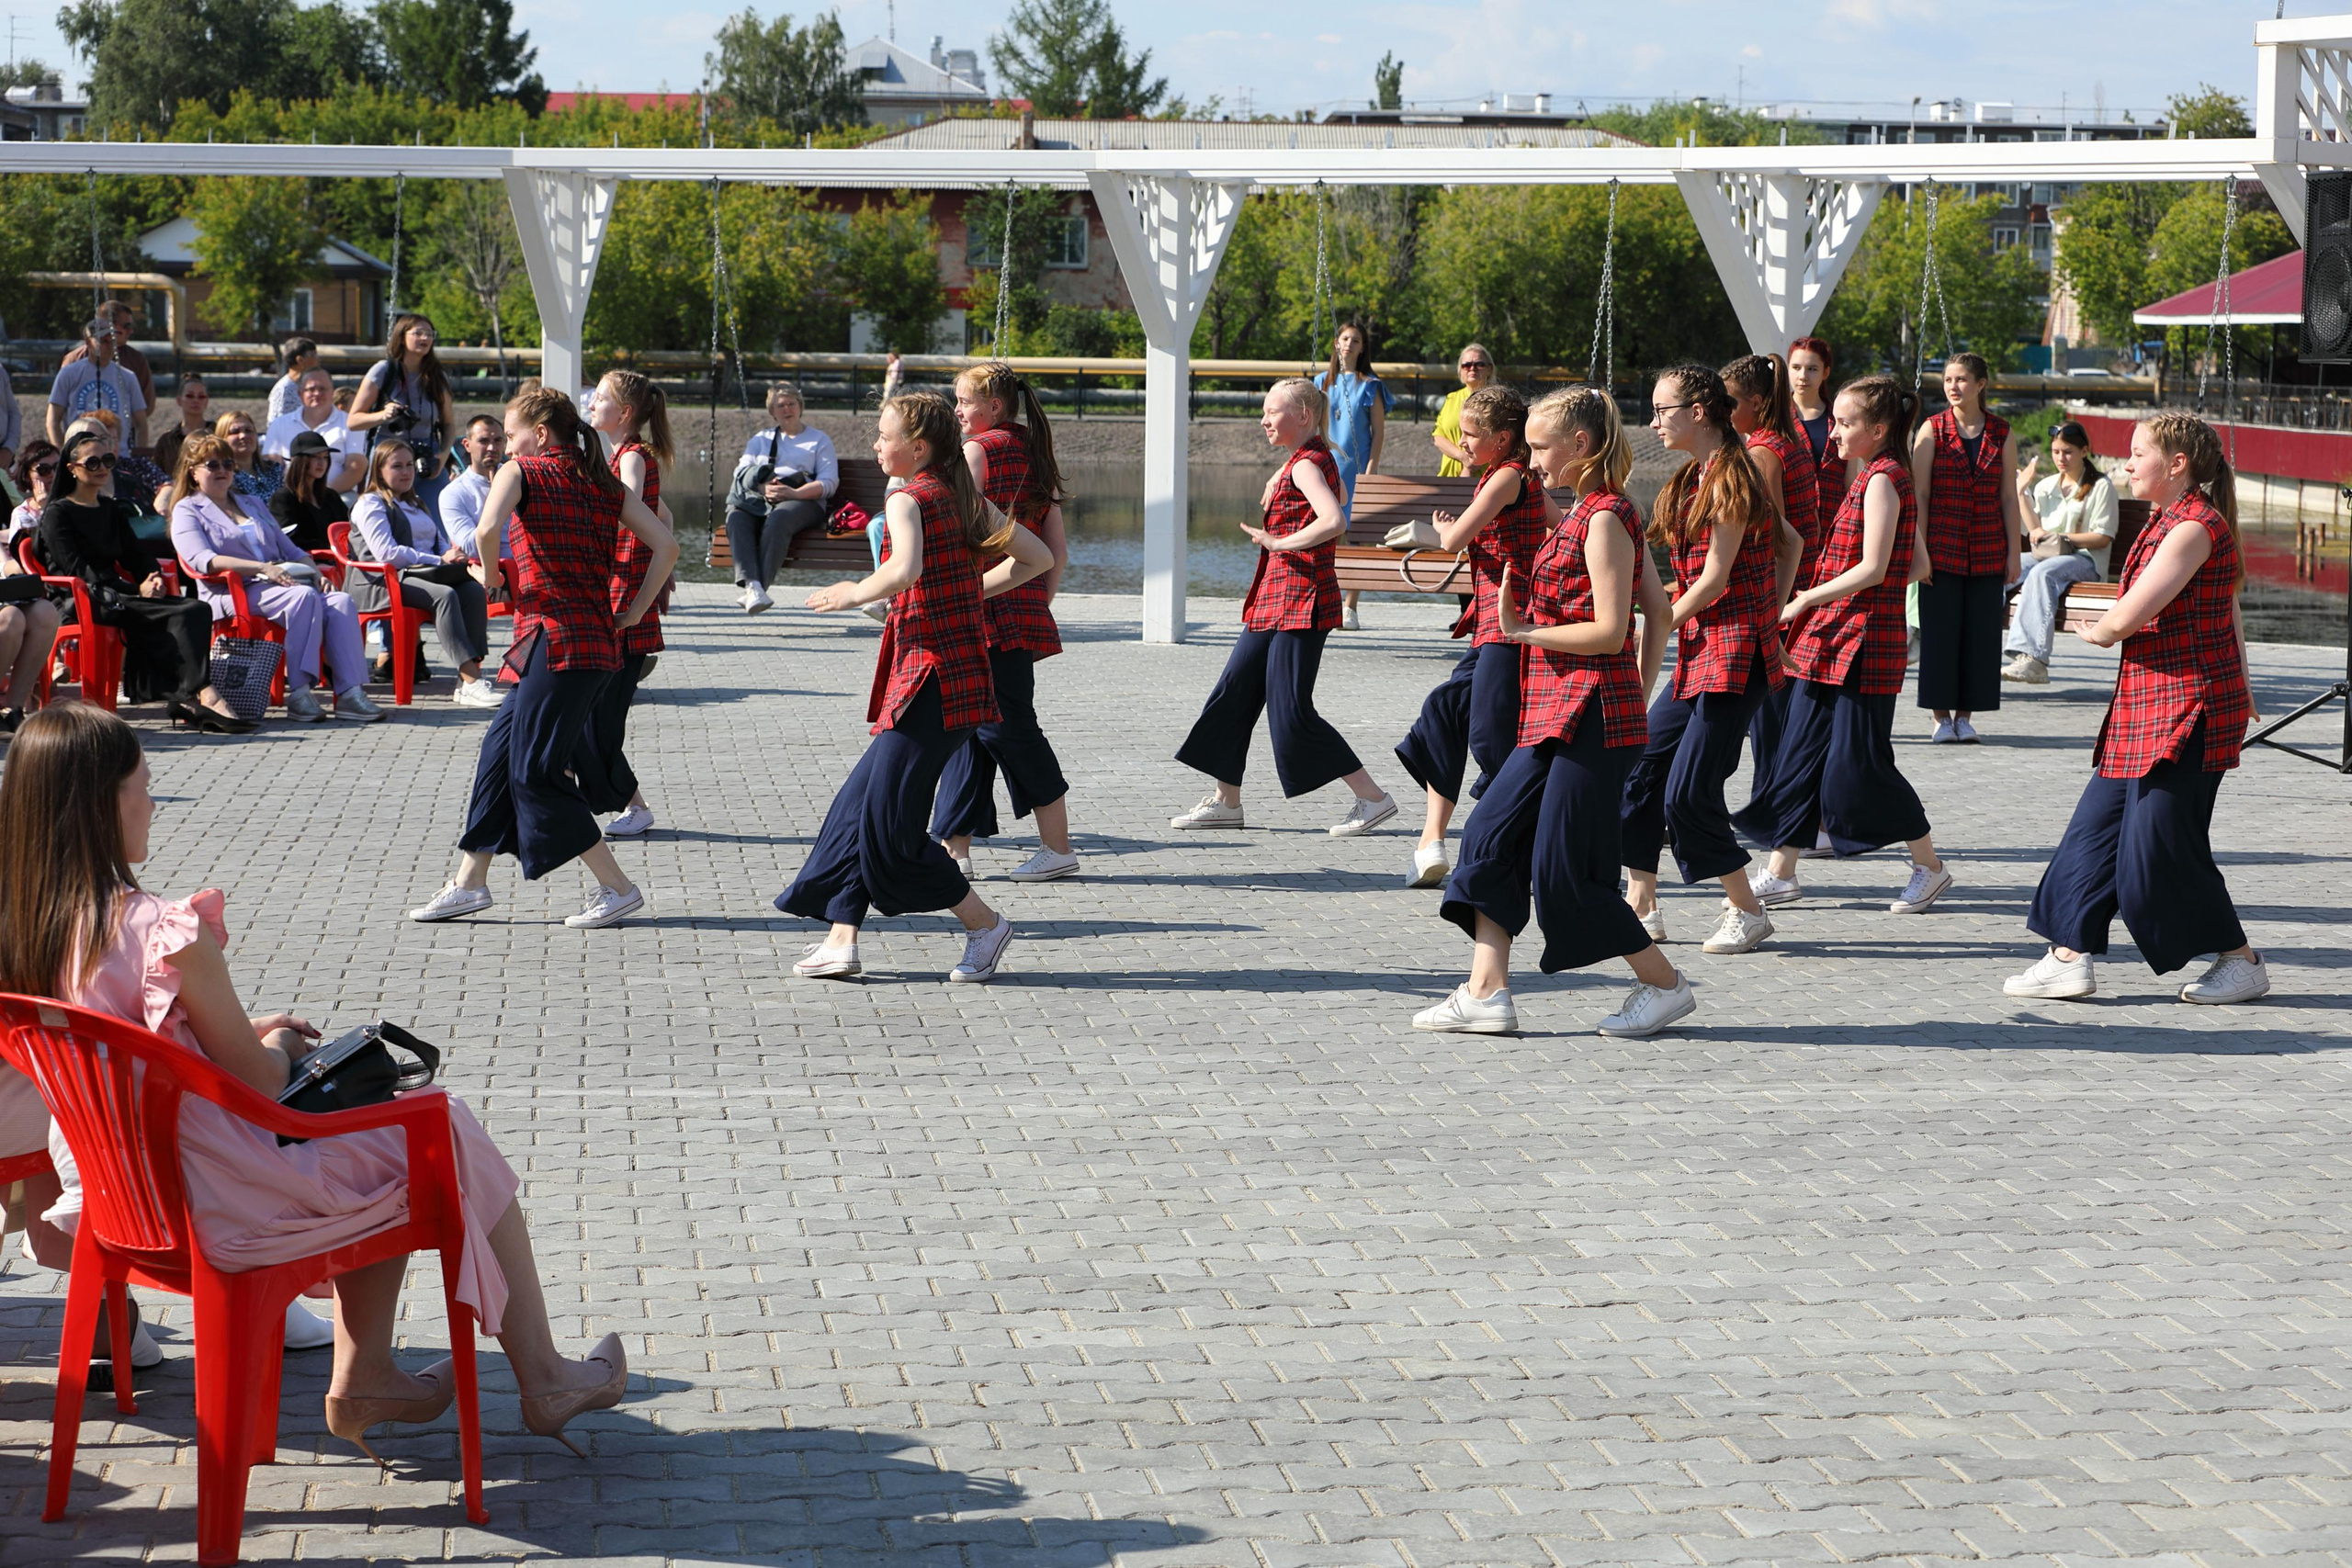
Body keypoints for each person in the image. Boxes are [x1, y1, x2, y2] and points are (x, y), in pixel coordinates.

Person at [0, 703, 629, 1457]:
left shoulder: (32, 930)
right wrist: (288, 1051)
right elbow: (262, 1083)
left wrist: (223, 1033)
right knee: (428, 1120)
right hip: (213, 1198)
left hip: (118, 1196)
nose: (154, 803)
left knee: (387, 1128)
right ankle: (541, 1374)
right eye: (146, 784)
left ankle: (372, 1371)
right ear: (104, 801)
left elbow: (132, 1047)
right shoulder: (161, 928)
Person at [1415, 383, 1690, 1038]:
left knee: (1566, 874)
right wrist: (1641, 689)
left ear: (1580, 445)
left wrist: (1522, 631)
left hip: (1591, 720)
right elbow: (1659, 611)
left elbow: (1609, 628)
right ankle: (1486, 992)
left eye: (1540, 447)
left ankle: (1666, 985)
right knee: (1489, 836)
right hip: (1557, 713)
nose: (1531, 459)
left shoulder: (1604, 518)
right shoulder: (1590, 512)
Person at [777, 390, 1054, 982]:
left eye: (884, 436)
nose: (876, 445)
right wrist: (969, 593)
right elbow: (1033, 558)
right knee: (855, 812)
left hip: (929, 681)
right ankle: (841, 938)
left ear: (918, 447)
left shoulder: (907, 494)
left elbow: (904, 569)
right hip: (950, 677)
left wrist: (850, 592)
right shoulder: (961, 494)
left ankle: (986, 925)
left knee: (891, 832)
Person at [2005, 412, 2268, 1006]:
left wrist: (2096, 630)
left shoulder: (2195, 528)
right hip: (2144, 706)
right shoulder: (2166, 519)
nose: (2125, 462)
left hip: (2190, 710)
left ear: (2178, 465)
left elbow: (2128, 616)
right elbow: (2223, 609)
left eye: (2137, 452)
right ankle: (2068, 956)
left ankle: (2241, 960)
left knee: (2158, 851)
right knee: (2091, 834)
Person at [407, 388, 679, 931]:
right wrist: (631, 613)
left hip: (555, 642)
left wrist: (487, 576)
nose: (507, 445)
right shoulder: (601, 479)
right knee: (499, 753)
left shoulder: (521, 471)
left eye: (511, 434)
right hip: (588, 642)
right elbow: (667, 545)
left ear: (542, 432)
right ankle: (469, 884)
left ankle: (618, 887)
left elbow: (485, 531)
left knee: (535, 772)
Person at [1735, 375, 1952, 915]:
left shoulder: (1883, 479)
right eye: (1833, 421)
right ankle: (1781, 872)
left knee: (1861, 767)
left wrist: (1808, 597)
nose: (1831, 432)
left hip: (1863, 645)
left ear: (1877, 430)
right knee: (1800, 755)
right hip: (1831, 641)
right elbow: (1918, 564)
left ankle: (1929, 866)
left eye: (1844, 423)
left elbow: (1877, 568)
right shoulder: (1874, 476)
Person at [1620, 365, 1803, 955]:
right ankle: (1641, 904)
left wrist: (1661, 620)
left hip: (1733, 656)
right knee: (1642, 768)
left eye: (1661, 410)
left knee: (1690, 794)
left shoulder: (1732, 476)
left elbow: (1716, 578)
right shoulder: (1696, 476)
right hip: (1704, 649)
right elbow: (1791, 543)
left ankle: (1746, 911)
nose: (1653, 422)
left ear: (1698, 412)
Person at [1170, 379, 1398, 838]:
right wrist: (1286, 470)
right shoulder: (1309, 460)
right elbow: (1340, 498)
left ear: (1304, 417)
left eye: (1273, 411)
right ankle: (1226, 802)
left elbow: (1335, 519)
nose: (1264, 419)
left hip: (1301, 600)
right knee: (1232, 694)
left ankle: (1373, 798)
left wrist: (1279, 540)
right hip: (1274, 599)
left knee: (1291, 710)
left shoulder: (1305, 466)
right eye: (1264, 411)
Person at [930, 363, 1078, 883]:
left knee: (1008, 727)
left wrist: (957, 592)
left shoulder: (979, 451)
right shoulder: (1036, 453)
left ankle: (1057, 847)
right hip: (1020, 606)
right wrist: (1037, 600)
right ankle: (955, 849)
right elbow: (1056, 550)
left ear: (993, 407)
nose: (956, 411)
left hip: (983, 608)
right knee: (970, 729)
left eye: (963, 402)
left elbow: (958, 530)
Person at [1394, 385, 1543, 889]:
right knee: (1444, 713)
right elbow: (1556, 524)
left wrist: (1430, 531)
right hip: (1489, 624)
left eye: (1472, 436)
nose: (1463, 445)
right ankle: (1431, 842)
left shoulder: (1504, 477)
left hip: (1510, 626)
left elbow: (1455, 540)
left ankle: (1529, 835)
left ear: (1502, 439)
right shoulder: (1509, 477)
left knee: (1491, 740)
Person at [36, 429, 250, 732]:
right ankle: (200, 695)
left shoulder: (110, 508)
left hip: (115, 592)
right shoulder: (58, 513)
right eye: (92, 462)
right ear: (72, 469)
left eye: (107, 460)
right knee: (180, 613)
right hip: (80, 597)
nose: (102, 469)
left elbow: (135, 555)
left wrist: (152, 577)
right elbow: (76, 569)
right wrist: (137, 589)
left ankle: (188, 695)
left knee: (196, 609)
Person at [167, 434, 381, 725]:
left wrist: (317, 574)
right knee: (302, 598)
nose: (222, 470)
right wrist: (261, 568)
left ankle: (350, 694)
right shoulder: (187, 509)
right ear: (193, 471)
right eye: (212, 464)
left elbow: (289, 548)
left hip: (280, 584)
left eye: (228, 464)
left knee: (341, 601)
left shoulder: (251, 502)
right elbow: (201, 559)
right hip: (232, 591)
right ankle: (301, 693)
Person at [1724, 352, 1822, 829]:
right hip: (1801, 591)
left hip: (1783, 598)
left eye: (1730, 402)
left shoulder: (1762, 453)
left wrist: (1771, 612)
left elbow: (1778, 539)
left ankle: (1785, 817)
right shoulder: (1786, 440)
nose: (1721, 410)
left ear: (1757, 403)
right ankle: (1788, 815)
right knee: (1777, 717)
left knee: (1772, 720)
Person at [577, 369, 673, 840]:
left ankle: (633, 804)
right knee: (596, 711)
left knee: (602, 714)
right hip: (622, 591)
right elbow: (665, 514)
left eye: (600, 398)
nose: (592, 404)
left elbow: (632, 509)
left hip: (624, 595)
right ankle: (624, 801)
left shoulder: (632, 456)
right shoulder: (626, 454)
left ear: (625, 413)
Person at [1911, 352, 2020, 742]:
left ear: (1980, 384)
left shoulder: (2002, 432)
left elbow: (2009, 497)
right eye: (1948, 380)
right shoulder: (1931, 430)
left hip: (1988, 547)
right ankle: (1941, 718)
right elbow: (1919, 494)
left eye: (1961, 380)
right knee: (1940, 634)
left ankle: (1966, 716)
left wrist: (2013, 553)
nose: (1953, 387)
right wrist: (1919, 549)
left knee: (1981, 635)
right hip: (1941, 546)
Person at [349, 442, 502, 708]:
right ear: (379, 470)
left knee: (472, 591)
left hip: (418, 576)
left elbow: (438, 541)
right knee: (444, 596)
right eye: (397, 466)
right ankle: (472, 680)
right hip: (381, 583)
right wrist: (438, 560)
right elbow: (387, 553)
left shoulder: (414, 502)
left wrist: (452, 556)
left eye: (409, 465)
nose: (406, 472)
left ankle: (467, 681)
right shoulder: (370, 503)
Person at [2003, 420, 2120, 684]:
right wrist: (2021, 493)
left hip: (2086, 561)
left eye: (2068, 452)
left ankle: (2033, 660)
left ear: (2084, 451)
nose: (2061, 458)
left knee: (2043, 574)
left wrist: (2062, 537)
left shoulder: (2100, 487)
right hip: (2049, 555)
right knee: (2002, 567)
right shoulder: (2046, 486)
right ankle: (1978, 649)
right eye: (2056, 452)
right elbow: (2035, 532)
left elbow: (2103, 538)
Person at [726, 383, 839, 614]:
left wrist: (795, 493)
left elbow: (829, 483)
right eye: (780, 406)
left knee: (779, 518)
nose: (787, 409)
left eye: (791, 404)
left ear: (800, 406)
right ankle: (754, 586)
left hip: (805, 501)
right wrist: (762, 486)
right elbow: (740, 472)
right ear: (772, 411)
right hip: (763, 499)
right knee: (736, 516)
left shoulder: (818, 440)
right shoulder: (761, 439)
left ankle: (757, 588)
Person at [1317, 321, 1391, 631]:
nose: (1349, 344)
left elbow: (1378, 432)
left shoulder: (1369, 384)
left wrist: (1372, 468)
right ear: (1336, 343)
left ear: (1362, 348)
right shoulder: (1322, 381)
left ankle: (1351, 606)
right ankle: (1326, 601)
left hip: (1356, 470)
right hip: (1326, 468)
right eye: (1345, 338)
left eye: (1356, 340)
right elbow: (1314, 424)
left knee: (1358, 538)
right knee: (1326, 535)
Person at [348, 313, 458, 513]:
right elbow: (353, 421)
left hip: (427, 458)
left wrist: (442, 455)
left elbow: (449, 424)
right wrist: (383, 415)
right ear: (402, 336)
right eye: (418, 333)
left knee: (437, 518)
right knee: (390, 517)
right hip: (389, 457)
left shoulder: (437, 376)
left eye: (429, 334)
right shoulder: (383, 371)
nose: (425, 339)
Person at [0, 443, 62, 737]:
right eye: (44, 469)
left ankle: (13, 710)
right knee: (12, 620)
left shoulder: (76, 505)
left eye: (57, 467)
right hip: (39, 587)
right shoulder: (23, 513)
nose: (52, 475)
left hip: (49, 592)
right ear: (28, 475)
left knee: (44, 613)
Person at [57, 299, 154, 445]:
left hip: (121, 443)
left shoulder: (135, 361)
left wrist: (118, 428)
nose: (130, 331)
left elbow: (147, 405)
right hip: (80, 443)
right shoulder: (73, 361)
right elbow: (57, 411)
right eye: (126, 326)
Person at [47, 317, 146, 456]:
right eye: (104, 341)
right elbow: (52, 420)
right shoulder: (69, 373)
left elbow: (142, 423)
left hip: (119, 455)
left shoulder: (128, 377)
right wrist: (61, 452)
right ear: (88, 342)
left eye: (112, 341)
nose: (110, 346)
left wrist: (139, 456)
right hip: (79, 455)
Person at [263, 367, 363, 491]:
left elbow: (356, 468)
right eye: (311, 389)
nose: (317, 393)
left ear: (332, 392)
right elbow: (271, 466)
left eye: (322, 389)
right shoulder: (279, 424)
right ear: (300, 394)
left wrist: (323, 495)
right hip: (290, 495)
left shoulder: (351, 424)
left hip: (337, 495)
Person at [439, 415, 509, 583]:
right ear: (467, 445)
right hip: (497, 573)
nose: (492, 447)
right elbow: (471, 548)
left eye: (498, 440)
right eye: (483, 441)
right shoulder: (453, 493)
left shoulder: (518, 478)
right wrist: (495, 500)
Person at [268, 430, 352, 554]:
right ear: (300, 461)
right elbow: (289, 540)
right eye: (315, 457)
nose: (321, 463)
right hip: (307, 564)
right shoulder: (283, 498)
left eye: (325, 457)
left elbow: (348, 529)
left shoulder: (331, 496)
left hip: (338, 561)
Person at [1430, 344, 1494, 478]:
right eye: (1466, 365)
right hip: (1448, 479)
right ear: (1460, 370)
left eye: (1479, 364)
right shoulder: (1451, 398)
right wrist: (1463, 458)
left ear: (1489, 369)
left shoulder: (1497, 400)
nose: (1472, 368)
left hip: (1487, 480)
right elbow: (1438, 437)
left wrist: (1471, 467)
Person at [150, 374, 212, 483]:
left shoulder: (217, 432)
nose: (196, 400)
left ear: (206, 402)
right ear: (179, 400)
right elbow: (156, 473)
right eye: (190, 396)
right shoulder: (167, 440)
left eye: (201, 396)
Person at [214, 410, 284, 507]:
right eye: (235, 432)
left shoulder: (274, 470)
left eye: (248, 431)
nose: (243, 436)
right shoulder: (224, 477)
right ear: (222, 439)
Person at [267, 335, 319, 423]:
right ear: (300, 360)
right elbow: (276, 424)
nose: (317, 359)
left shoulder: (306, 386)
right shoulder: (284, 389)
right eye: (313, 355)